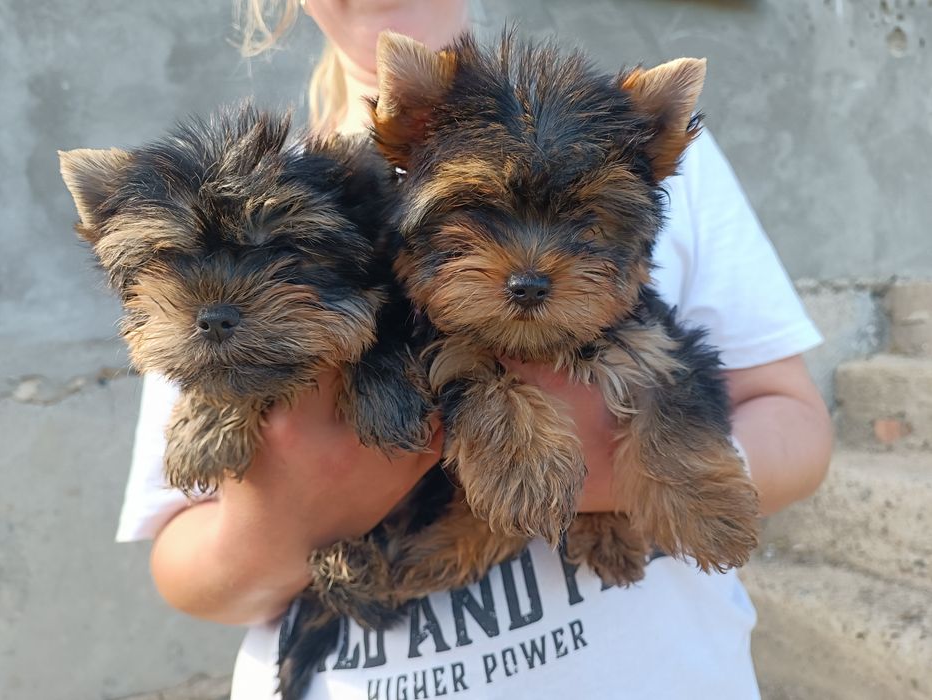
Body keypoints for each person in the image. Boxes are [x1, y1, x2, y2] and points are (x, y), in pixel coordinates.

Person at [116, 1, 833, 698]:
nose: (528, 268)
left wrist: (623, 488)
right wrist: (292, 517)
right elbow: (186, 565)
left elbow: (786, 417)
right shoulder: (226, 208)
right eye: (477, 215)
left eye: (582, 223)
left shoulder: (652, 147)